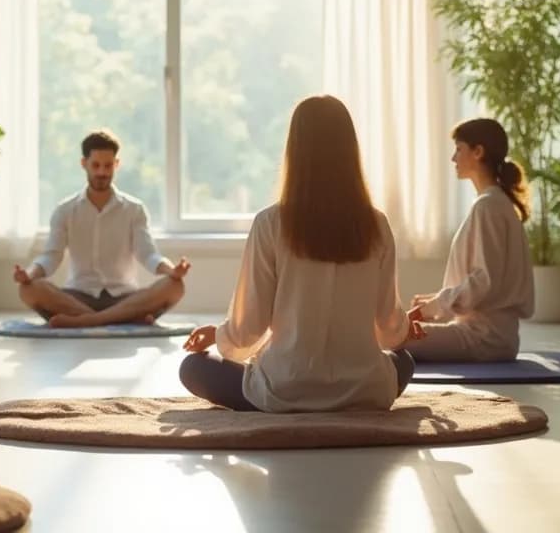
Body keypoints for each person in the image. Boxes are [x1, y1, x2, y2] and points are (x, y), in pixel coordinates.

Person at [179, 95, 423, 412]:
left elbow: (249, 327)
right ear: (350, 150)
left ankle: (292, 402)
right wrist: (404, 331)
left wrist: (217, 334)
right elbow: (389, 327)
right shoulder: (375, 224)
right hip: (364, 391)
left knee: (193, 369)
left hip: (285, 391)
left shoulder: (270, 223)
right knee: (402, 361)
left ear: (294, 149)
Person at [14, 129, 191, 328]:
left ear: (117, 164)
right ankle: (125, 320)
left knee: (174, 286)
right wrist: (28, 275)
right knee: (29, 289)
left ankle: (88, 321)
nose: (102, 172)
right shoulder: (65, 210)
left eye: (108, 166)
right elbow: (51, 256)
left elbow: (148, 255)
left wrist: (172, 271)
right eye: (96, 165)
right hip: (77, 297)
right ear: (84, 164)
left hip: (124, 297)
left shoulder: (134, 209)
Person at [404, 118, 535, 362]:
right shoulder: (493, 204)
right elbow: (489, 281)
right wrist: (436, 301)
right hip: (491, 335)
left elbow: (484, 281)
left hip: (484, 338)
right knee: (390, 333)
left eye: (458, 149)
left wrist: (432, 307)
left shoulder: (489, 207)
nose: (453, 158)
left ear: (478, 152)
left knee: (389, 336)